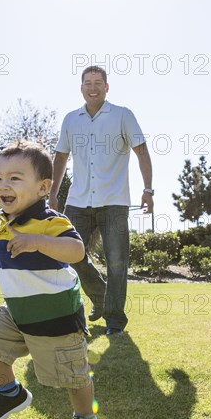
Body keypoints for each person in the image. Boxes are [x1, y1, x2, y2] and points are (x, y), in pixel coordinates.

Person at [0, 140, 103, 419]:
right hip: (17, 312)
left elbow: (76, 250)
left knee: (73, 376)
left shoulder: (51, 221)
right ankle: (9, 393)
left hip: (56, 317)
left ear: (43, 188)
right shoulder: (2, 222)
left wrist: (36, 241)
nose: (3, 185)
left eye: (14, 178)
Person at [50, 66, 154, 336]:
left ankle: (115, 321)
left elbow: (141, 151)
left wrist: (148, 189)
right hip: (78, 201)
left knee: (117, 263)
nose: (92, 87)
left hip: (114, 202)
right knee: (71, 255)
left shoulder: (123, 115)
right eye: (87, 83)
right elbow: (61, 157)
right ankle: (101, 296)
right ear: (81, 87)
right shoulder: (71, 120)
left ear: (107, 87)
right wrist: (51, 194)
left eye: (98, 83)